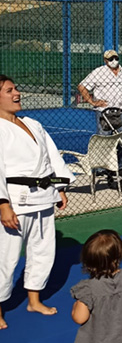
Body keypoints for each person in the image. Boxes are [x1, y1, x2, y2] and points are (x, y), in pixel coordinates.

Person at [0, 75, 74, 329]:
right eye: (10, 90)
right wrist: (3, 204)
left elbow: (51, 156)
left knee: (43, 252)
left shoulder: (32, 123)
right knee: (5, 257)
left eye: (16, 88)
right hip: (15, 201)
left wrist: (60, 187)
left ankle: (34, 299)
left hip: (43, 197)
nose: (17, 93)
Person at [78, 50, 122, 114]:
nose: (114, 61)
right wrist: (93, 102)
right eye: (111, 59)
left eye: (116, 58)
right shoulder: (99, 72)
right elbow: (81, 87)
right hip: (104, 110)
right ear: (105, 60)